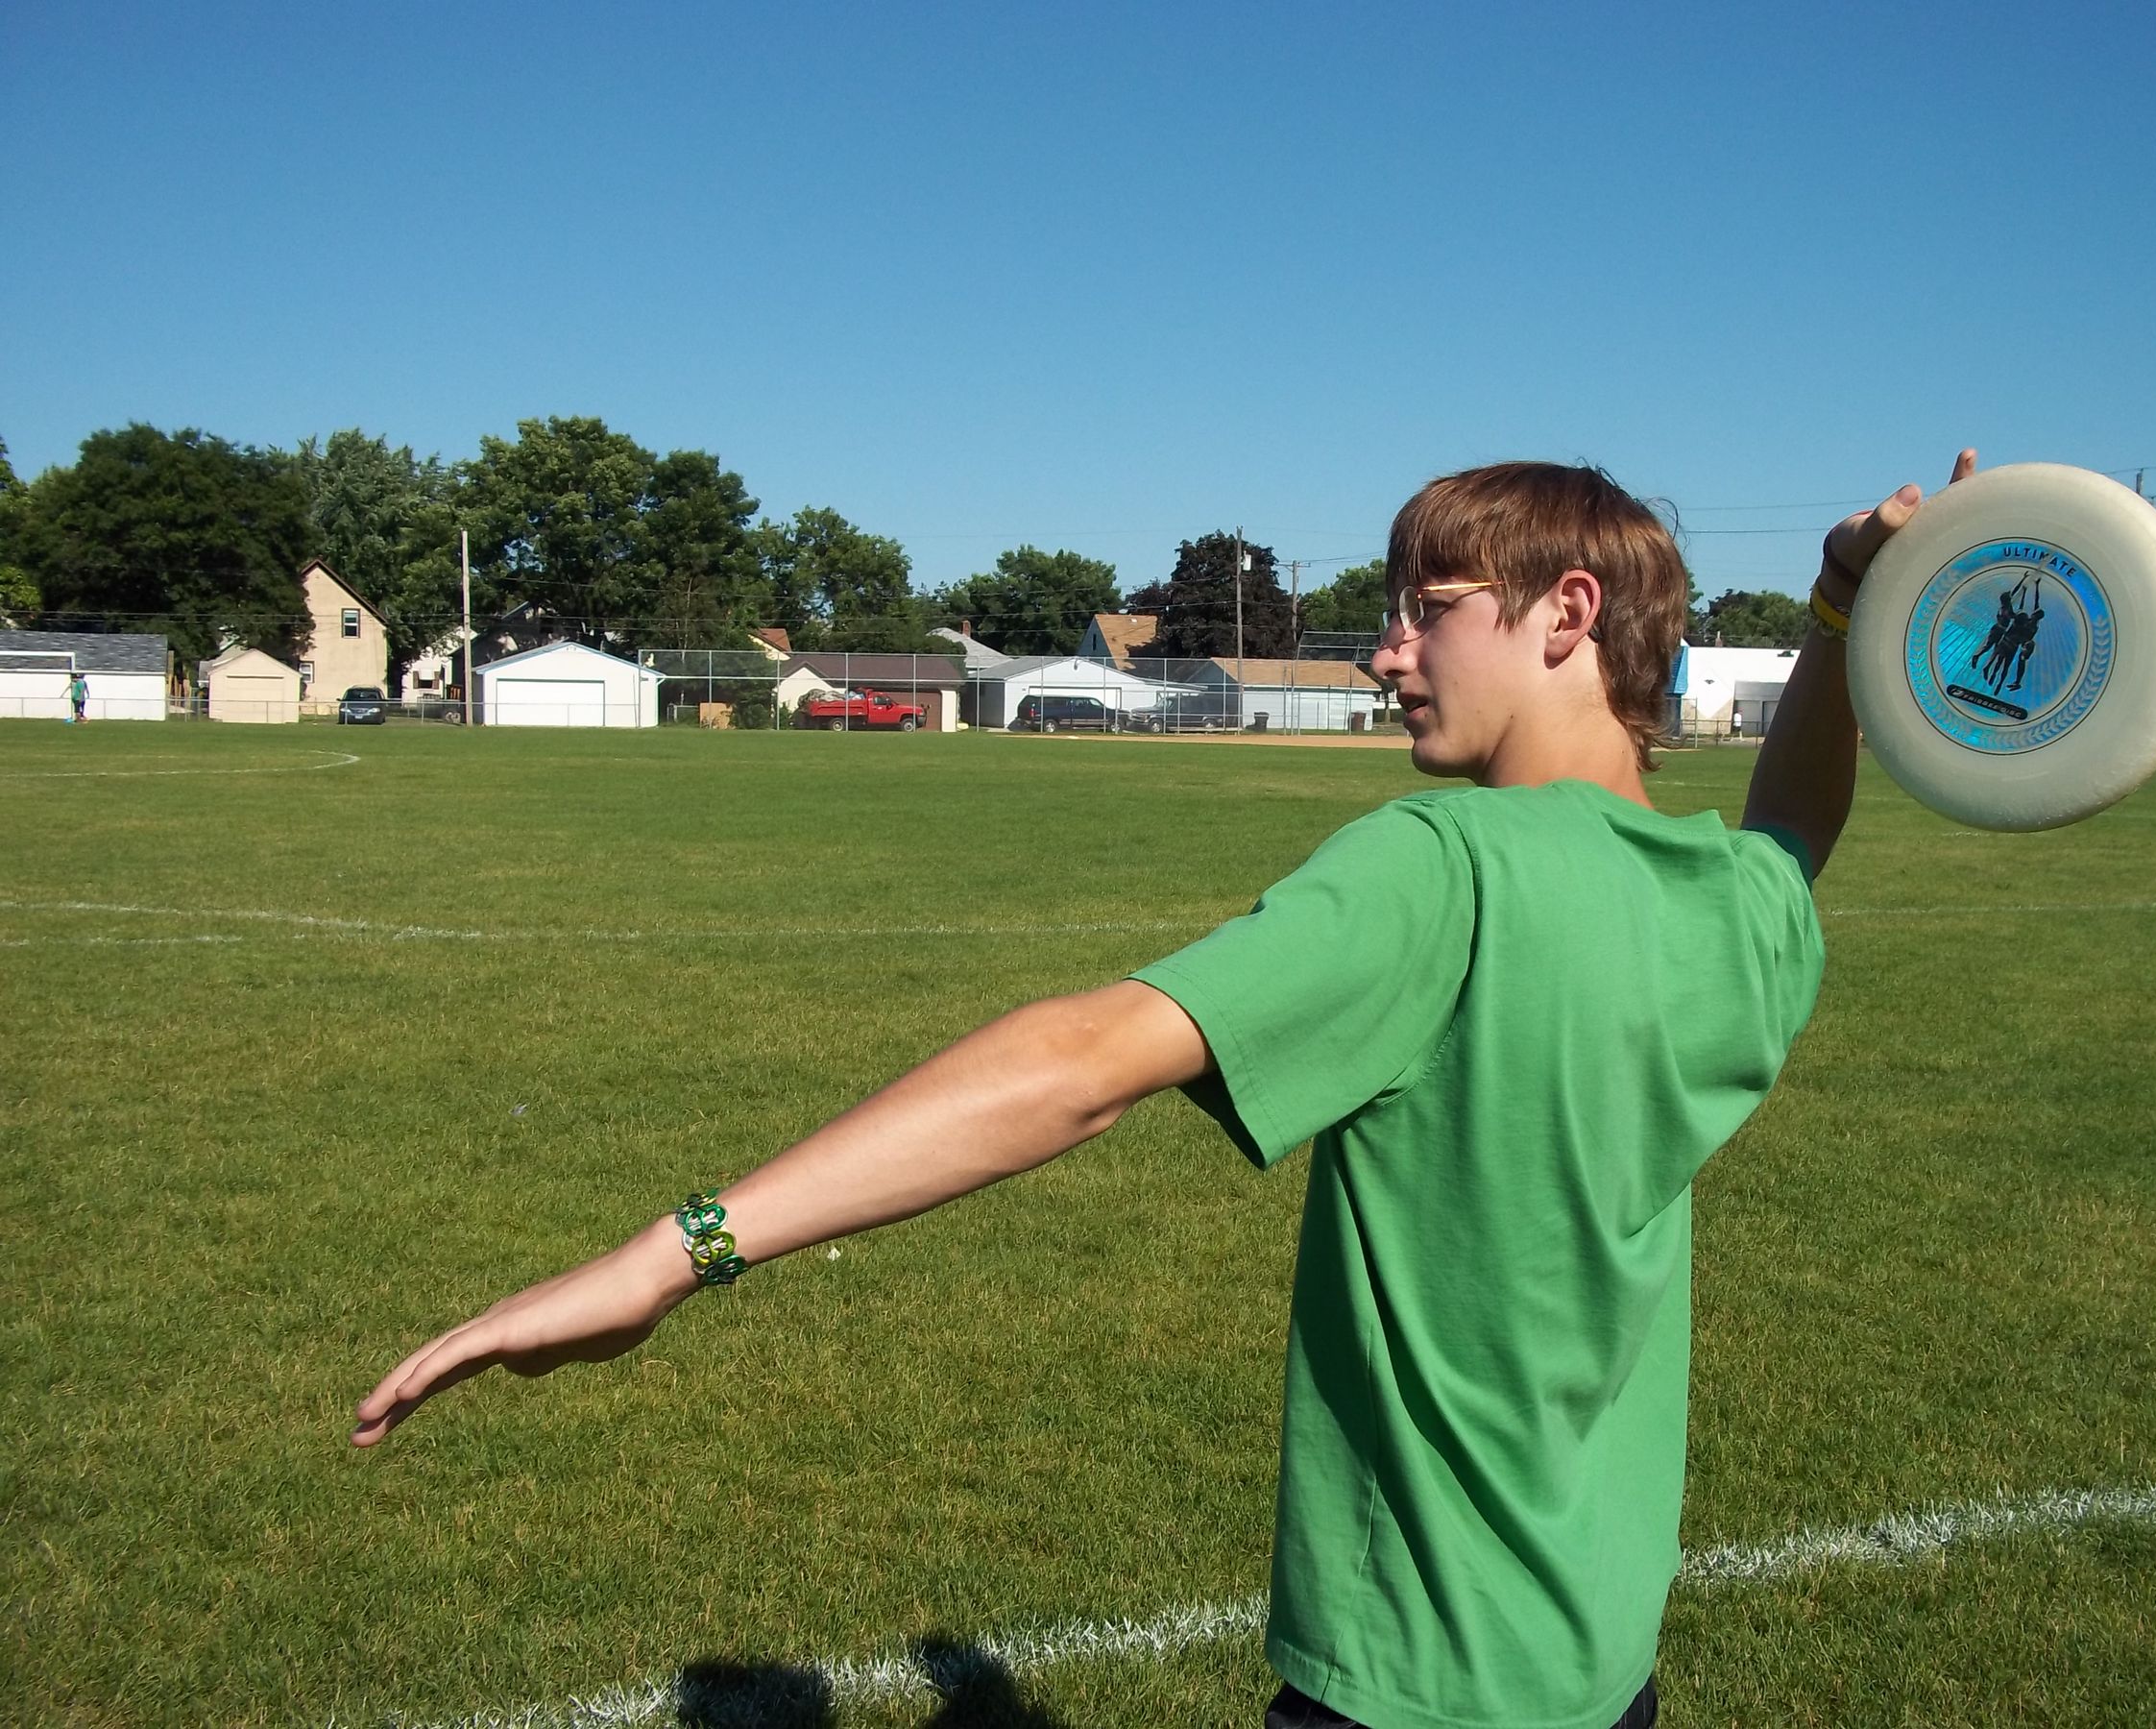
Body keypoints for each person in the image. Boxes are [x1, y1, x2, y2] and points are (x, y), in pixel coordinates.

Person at [355, 451, 1978, 1727]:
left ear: (1563, 614)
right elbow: (1798, 826)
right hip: (1599, 1664)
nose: (1384, 648)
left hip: (1417, 1682)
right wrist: (1840, 615)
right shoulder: (1734, 911)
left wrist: (671, 1252)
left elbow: (1079, 1064)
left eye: (1428, 606)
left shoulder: (1443, 864)